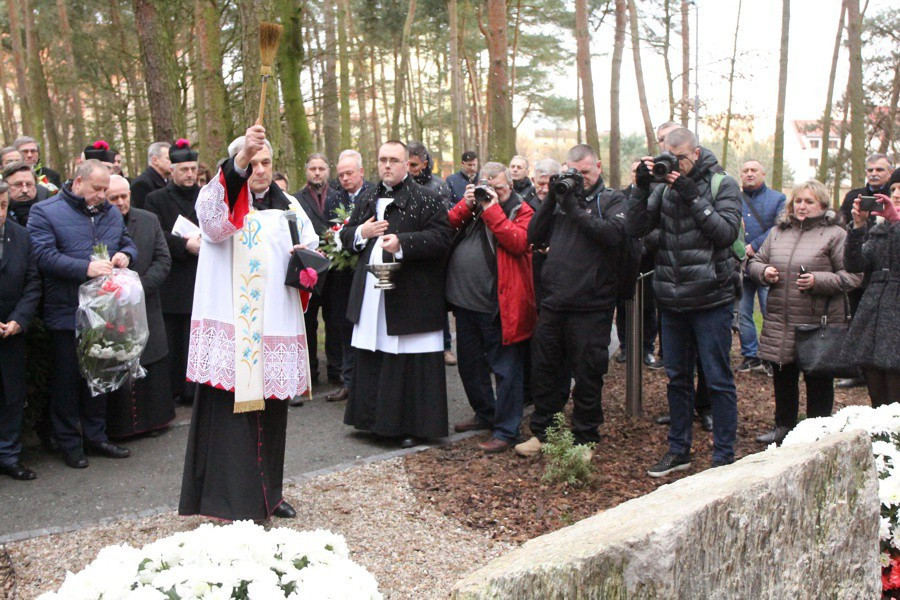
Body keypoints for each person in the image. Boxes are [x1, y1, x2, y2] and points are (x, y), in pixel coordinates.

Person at [179, 124, 318, 521]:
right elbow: (213, 225)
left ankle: (268, 493)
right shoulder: (219, 196)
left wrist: (307, 270)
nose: (259, 170)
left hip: (271, 324)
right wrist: (236, 163)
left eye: (265, 162)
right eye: (251, 162)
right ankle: (228, 500)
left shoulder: (289, 204)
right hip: (233, 326)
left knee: (272, 416)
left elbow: (308, 248)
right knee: (230, 420)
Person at [626, 128, 742, 476]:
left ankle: (724, 455)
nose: (672, 164)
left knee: (718, 379)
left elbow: (725, 234)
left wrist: (693, 196)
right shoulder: (660, 186)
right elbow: (635, 228)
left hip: (711, 298)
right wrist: (640, 187)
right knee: (676, 379)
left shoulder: (723, 184)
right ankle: (679, 450)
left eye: (679, 158)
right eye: (667, 156)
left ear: (696, 152)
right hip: (671, 299)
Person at [515, 144, 626, 459]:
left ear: (599, 167)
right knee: (545, 370)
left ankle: (584, 439)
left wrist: (575, 208)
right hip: (554, 301)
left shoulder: (612, 200)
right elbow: (534, 236)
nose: (581, 179)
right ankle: (544, 433)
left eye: (586, 172)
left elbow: (612, 235)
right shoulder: (562, 199)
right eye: (574, 173)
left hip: (592, 306)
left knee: (588, 373)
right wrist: (552, 197)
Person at [341, 140, 452, 449]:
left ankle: (406, 425)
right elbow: (348, 235)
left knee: (402, 354)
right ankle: (371, 421)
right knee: (374, 349)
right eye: (382, 160)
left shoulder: (426, 199)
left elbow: (442, 238)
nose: (387, 165)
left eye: (394, 160)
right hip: (373, 287)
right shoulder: (368, 197)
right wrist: (363, 234)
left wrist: (402, 242)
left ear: (407, 165)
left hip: (409, 292)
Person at [27, 159, 137, 468]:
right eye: (97, 189)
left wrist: (125, 255)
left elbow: (127, 242)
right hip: (66, 311)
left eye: (106, 189)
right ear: (77, 183)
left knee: (98, 377)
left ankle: (96, 436)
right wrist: (85, 268)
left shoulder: (111, 213)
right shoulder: (45, 212)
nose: (103, 195)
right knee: (67, 381)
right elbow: (43, 256)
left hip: (104, 311)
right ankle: (69, 442)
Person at [747, 181, 861, 445]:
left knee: (818, 379)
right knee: (783, 376)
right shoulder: (778, 233)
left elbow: (853, 276)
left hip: (816, 323)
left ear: (822, 205)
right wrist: (763, 272)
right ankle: (783, 427)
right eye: (798, 201)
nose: (802, 206)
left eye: (809, 201)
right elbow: (755, 261)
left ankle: (816, 433)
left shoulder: (835, 234)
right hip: (779, 320)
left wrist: (817, 281)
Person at [447, 162, 536, 453]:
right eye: (487, 187)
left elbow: (518, 242)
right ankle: (485, 413)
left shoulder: (522, 211)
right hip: (465, 302)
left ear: (510, 186)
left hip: (500, 305)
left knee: (506, 369)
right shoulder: (472, 208)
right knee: (470, 365)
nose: (492, 192)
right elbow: (446, 225)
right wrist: (467, 202)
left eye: (498, 187)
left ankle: (507, 429)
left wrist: (492, 207)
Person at [106, 174, 175, 438]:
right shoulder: (98, 224)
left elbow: (162, 259)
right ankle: (122, 428)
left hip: (146, 302)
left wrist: (139, 288)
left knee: (151, 361)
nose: (121, 202)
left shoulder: (148, 220)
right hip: (112, 310)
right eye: (114, 198)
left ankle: (154, 422)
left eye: (125, 196)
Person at [145, 140, 201, 406]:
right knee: (173, 337)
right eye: (184, 169)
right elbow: (153, 235)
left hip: (201, 275)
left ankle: (195, 389)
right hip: (172, 277)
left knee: (195, 335)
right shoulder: (155, 199)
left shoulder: (206, 196)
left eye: (193, 169)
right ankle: (173, 389)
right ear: (172, 171)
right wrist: (184, 244)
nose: (189, 174)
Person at [842, 168, 900, 406]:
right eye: (894, 189)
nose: (896, 194)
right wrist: (858, 227)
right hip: (874, 315)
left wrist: (896, 222)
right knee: (877, 394)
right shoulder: (880, 229)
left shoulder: (892, 226)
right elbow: (854, 264)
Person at [293, 153, 345, 390]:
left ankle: (336, 369)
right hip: (308, 270)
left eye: (321, 168)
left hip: (335, 271)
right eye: (312, 168)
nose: (317, 172)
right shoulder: (294, 200)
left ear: (328, 171)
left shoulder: (339, 196)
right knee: (307, 322)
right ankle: (309, 371)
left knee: (335, 321)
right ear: (306, 171)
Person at [0, 182, 41, 480]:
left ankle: (9, 455)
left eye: (2, 206)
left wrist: (19, 318)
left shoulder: (20, 235)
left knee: (12, 396)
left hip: (11, 333)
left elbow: (32, 283)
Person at [327, 150, 374, 403]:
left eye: (349, 173)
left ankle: (366, 381)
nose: (345, 178)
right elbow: (328, 229)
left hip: (367, 272)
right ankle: (348, 380)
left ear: (361, 172)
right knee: (345, 325)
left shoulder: (375, 194)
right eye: (341, 174)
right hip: (342, 274)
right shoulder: (334, 198)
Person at [407, 141, 457, 365]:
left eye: (414, 164)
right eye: (406, 163)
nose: (409, 169)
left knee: (436, 298)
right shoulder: (402, 185)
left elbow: (443, 221)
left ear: (424, 163)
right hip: (407, 249)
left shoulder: (438, 186)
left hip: (433, 251)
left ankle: (444, 345)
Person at [614, 159, 663, 370]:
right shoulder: (621, 196)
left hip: (649, 260)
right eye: (634, 170)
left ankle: (647, 348)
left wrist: (644, 245)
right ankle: (625, 346)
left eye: (640, 170)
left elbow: (659, 225)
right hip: (625, 261)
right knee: (624, 305)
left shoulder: (657, 193)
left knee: (648, 307)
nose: (637, 174)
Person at [737, 159, 784, 374]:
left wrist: (754, 246)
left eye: (754, 170)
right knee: (744, 313)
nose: (749, 174)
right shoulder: (734, 198)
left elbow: (779, 228)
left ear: (763, 173)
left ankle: (770, 356)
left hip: (767, 265)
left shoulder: (778, 199)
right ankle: (750, 355)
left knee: (769, 311)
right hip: (740, 265)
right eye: (745, 170)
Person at [407, 141, 453, 206]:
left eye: (413, 165)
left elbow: (441, 213)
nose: (408, 168)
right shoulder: (397, 183)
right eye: (406, 164)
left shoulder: (439, 187)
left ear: (424, 164)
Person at [4, 162, 49, 226]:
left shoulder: (48, 212)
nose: (25, 190)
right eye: (17, 184)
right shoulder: (3, 215)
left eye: (28, 184)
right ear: (6, 185)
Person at [130, 142, 171, 209]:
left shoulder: (168, 182)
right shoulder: (141, 184)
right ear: (155, 160)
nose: (173, 162)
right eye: (168, 158)